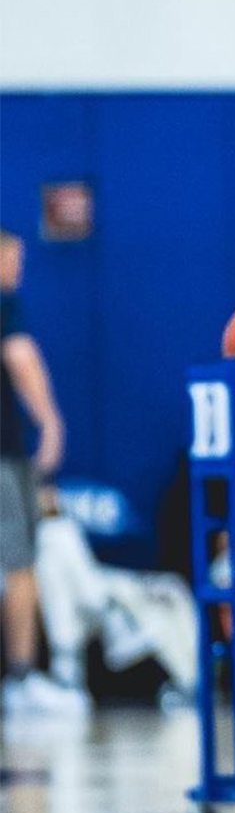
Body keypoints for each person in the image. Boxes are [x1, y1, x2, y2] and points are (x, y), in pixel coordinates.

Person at [0, 229, 88, 714]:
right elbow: (19, 355)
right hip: (3, 455)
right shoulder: (3, 302)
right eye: (13, 260)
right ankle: (21, 679)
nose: (18, 270)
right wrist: (50, 422)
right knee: (19, 564)